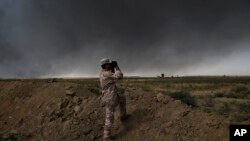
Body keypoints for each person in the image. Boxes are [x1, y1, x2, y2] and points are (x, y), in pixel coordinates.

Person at [99, 58, 127, 140]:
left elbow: (113, 75)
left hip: (112, 95)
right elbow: (120, 76)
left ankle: (123, 116)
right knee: (109, 116)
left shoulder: (105, 73)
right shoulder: (106, 73)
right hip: (109, 98)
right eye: (109, 64)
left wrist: (113, 68)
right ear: (106, 65)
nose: (110, 65)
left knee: (122, 98)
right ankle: (106, 137)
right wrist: (117, 67)